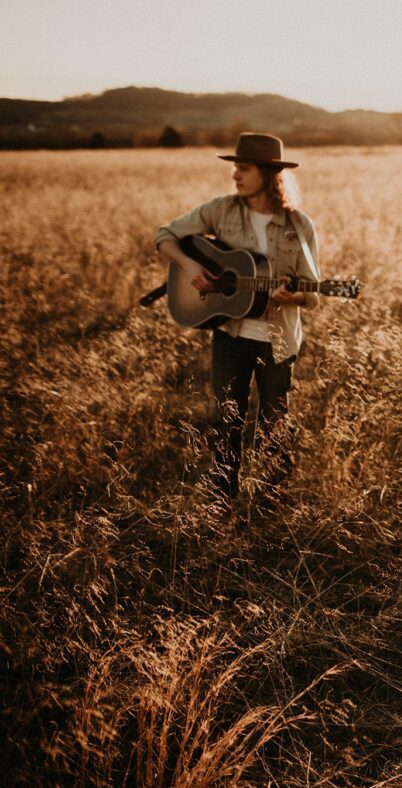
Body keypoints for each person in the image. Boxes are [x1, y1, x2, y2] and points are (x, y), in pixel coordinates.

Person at [154, 132, 319, 509]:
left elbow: (311, 292)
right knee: (226, 420)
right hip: (229, 333)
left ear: (268, 173)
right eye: (235, 168)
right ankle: (220, 502)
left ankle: (271, 503)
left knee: (274, 422)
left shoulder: (299, 226)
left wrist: (291, 295)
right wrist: (191, 265)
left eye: (243, 169)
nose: (235, 176)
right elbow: (165, 236)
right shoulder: (221, 210)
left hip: (278, 338)